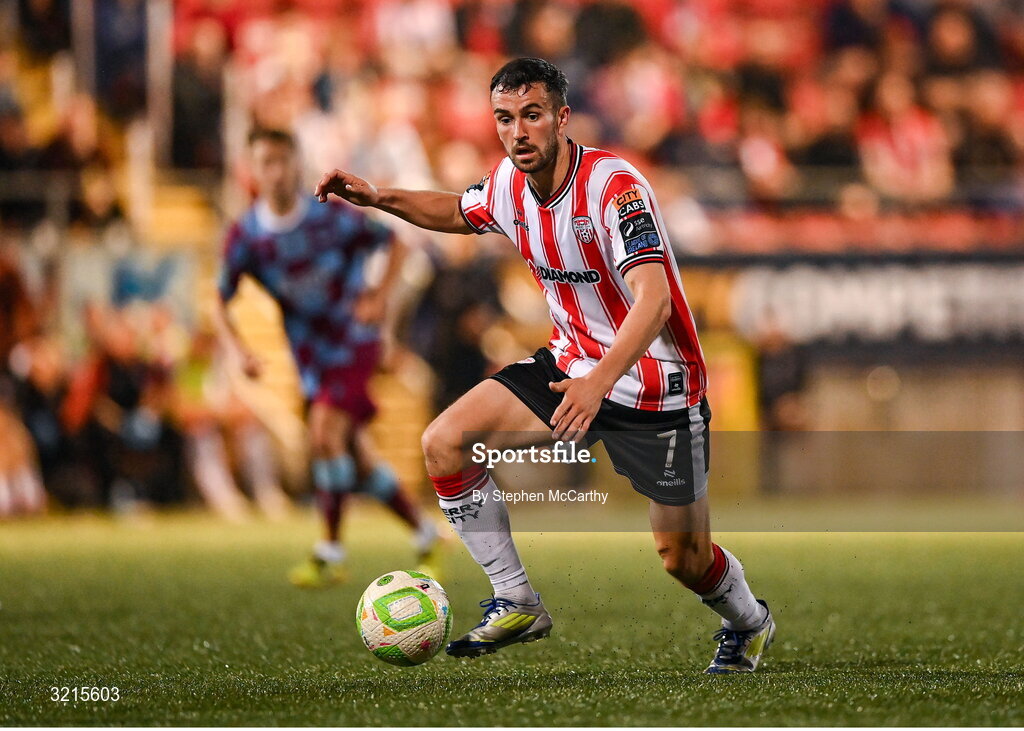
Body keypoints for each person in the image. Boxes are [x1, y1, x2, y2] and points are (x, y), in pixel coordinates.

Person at [315, 58, 774, 673]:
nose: (518, 132)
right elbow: (455, 211)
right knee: (445, 443)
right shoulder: (508, 184)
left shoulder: (616, 189)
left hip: (657, 389)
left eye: (531, 116)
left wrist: (598, 383)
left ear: (562, 117)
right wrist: (378, 197)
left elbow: (655, 299)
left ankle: (749, 622)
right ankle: (517, 598)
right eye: (505, 119)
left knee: (682, 559)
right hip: (569, 363)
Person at [216, 127, 442, 588]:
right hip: (308, 354)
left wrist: (379, 294)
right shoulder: (248, 236)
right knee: (353, 455)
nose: (276, 172)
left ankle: (330, 551)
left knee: (324, 431)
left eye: (282, 160)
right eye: (265, 163)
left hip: (352, 340)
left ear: (296, 163)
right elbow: (221, 298)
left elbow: (395, 241)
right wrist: (238, 350)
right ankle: (426, 534)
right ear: (252, 170)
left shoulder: (330, 218)